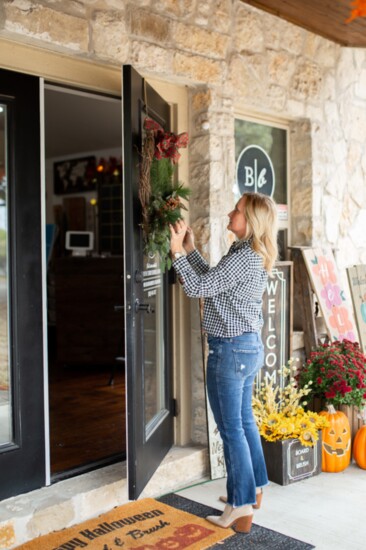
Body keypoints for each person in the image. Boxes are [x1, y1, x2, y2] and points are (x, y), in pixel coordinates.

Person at [169, 191, 278, 534]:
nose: (231, 213)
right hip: (244, 349)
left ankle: (241, 504)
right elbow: (215, 282)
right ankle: (255, 488)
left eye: (238, 210)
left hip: (230, 351)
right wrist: (189, 250)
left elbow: (198, 287)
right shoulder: (246, 253)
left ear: (252, 221)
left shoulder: (244, 258)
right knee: (243, 423)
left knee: (231, 430)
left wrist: (174, 251)